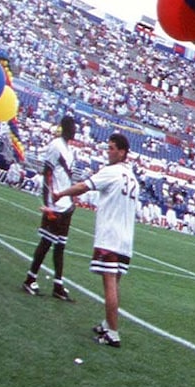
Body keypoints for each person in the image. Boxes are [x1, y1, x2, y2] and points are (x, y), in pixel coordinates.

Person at [51, 134, 139, 348]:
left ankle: (113, 333)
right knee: (115, 283)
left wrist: (60, 194)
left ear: (122, 152)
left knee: (109, 283)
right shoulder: (133, 177)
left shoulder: (111, 172)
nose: (108, 152)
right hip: (126, 239)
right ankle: (107, 323)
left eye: (111, 148)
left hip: (110, 237)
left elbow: (84, 187)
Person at [22, 116, 80, 301]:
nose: (74, 130)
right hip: (55, 204)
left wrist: (71, 199)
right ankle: (30, 279)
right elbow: (47, 174)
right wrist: (48, 204)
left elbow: (66, 178)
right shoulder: (55, 146)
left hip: (66, 204)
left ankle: (58, 285)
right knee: (46, 242)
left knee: (60, 246)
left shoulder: (70, 151)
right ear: (63, 128)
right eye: (71, 126)